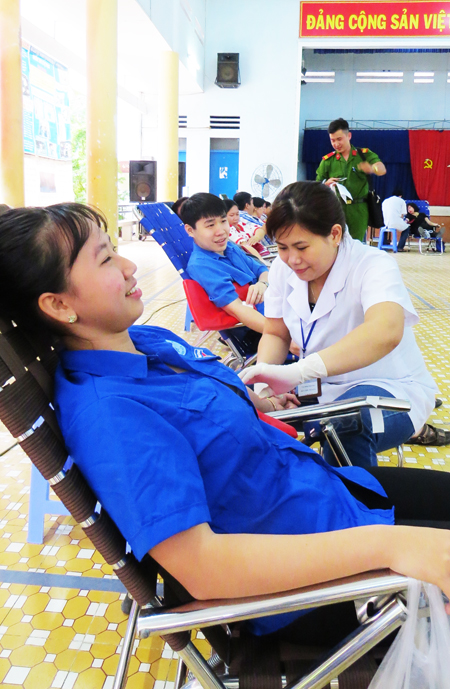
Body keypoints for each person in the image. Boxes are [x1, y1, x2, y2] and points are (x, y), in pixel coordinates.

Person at [2, 201, 450, 643]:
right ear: (58, 304)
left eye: (115, 250)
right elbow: (203, 568)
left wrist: (258, 401)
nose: (129, 266)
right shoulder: (111, 415)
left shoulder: (146, 343)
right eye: (105, 259)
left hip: (323, 491)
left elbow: (208, 402)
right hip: (314, 582)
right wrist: (392, 545)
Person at [239, 182, 449, 468]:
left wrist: (299, 371)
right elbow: (276, 333)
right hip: (318, 389)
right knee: (239, 411)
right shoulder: (282, 269)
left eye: (302, 247)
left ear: (335, 234)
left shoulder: (372, 264)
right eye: (283, 247)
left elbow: (385, 331)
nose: (292, 260)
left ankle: (357, 498)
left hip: (389, 386)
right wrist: (267, 385)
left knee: (343, 427)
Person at [182, 193, 269, 334]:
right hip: (261, 324)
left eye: (223, 221)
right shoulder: (201, 266)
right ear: (190, 230)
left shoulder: (230, 246)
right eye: (210, 225)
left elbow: (261, 269)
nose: (221, 231)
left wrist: (262, 284)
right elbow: (237, 310)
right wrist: (283, 337)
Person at [316, 118, 386, 242]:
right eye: (332, 140)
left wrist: (372, 168)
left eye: (339, 139)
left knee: (356, 245)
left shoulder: (363, 154)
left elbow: (382, 169)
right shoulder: (328, 161)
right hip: (336, 209)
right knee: (335, 243)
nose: (336, 144)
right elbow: (316, 186)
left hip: (358, 209)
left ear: (349, 136)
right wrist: (325, 184)